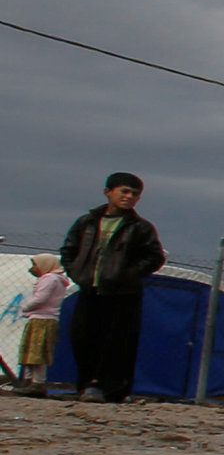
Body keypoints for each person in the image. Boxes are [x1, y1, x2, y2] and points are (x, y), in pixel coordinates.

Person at [56, 173, 164, 403]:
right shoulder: (87, 223)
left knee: (117, 342)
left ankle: (111, 388)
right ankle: (86, 384)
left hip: (123, 294)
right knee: (83, 337)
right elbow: (68, 250)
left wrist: (126, 275)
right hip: (89, 290)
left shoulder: (140, 228)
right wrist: (77, 272)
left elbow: (154, 257)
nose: (129, 197)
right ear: (108, 192)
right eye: (124, 191)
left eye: (134, 194)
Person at [6, 254, 68, 395]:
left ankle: (36, 383)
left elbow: (41, 298)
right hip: (42, 319)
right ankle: (29, 382)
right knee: (32, 352)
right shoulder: (58, 280)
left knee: (37, 353)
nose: (33, 269)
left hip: (42, 320)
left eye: (35, 265)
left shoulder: (49, 279)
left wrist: (25, 307)